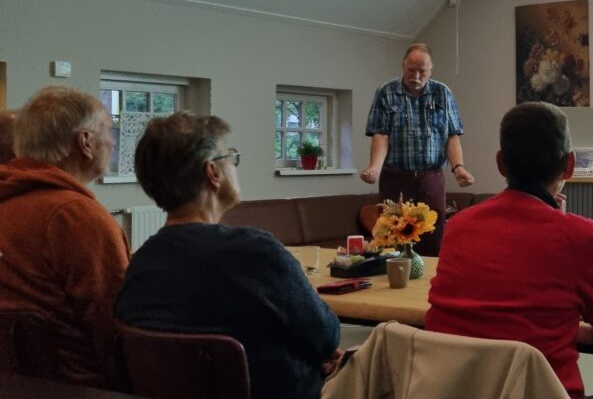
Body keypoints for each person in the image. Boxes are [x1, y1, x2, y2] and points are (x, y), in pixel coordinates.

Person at [425, 102, 593, 399]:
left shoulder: (458, 226)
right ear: (569, 165)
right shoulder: (582, 237)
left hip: (456, 392)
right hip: (540, 392)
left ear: (501, 163)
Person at [115, 112, 341, 399]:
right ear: (213, 173)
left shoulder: (141, 263)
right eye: (230, 157)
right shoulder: (257, 252)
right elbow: (326, 336)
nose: (234, 165)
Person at [0, 87, 130, 387]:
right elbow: (116, 331)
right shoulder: (75, 217)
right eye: (108, 131)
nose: (112, 141)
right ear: (85, 142)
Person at [361, 43, 474, 256]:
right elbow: (381, 134)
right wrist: (374, 167)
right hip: (395, 178)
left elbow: (452, 135)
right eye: (411, 70)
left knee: (432, 239)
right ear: (403, 66)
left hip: (430, 179)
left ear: (431, 70)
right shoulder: (386, 92)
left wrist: (458, 167)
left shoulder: (442, 93)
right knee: (393, 241)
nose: (416, 76)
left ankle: (430, 277)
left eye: (422, 71)